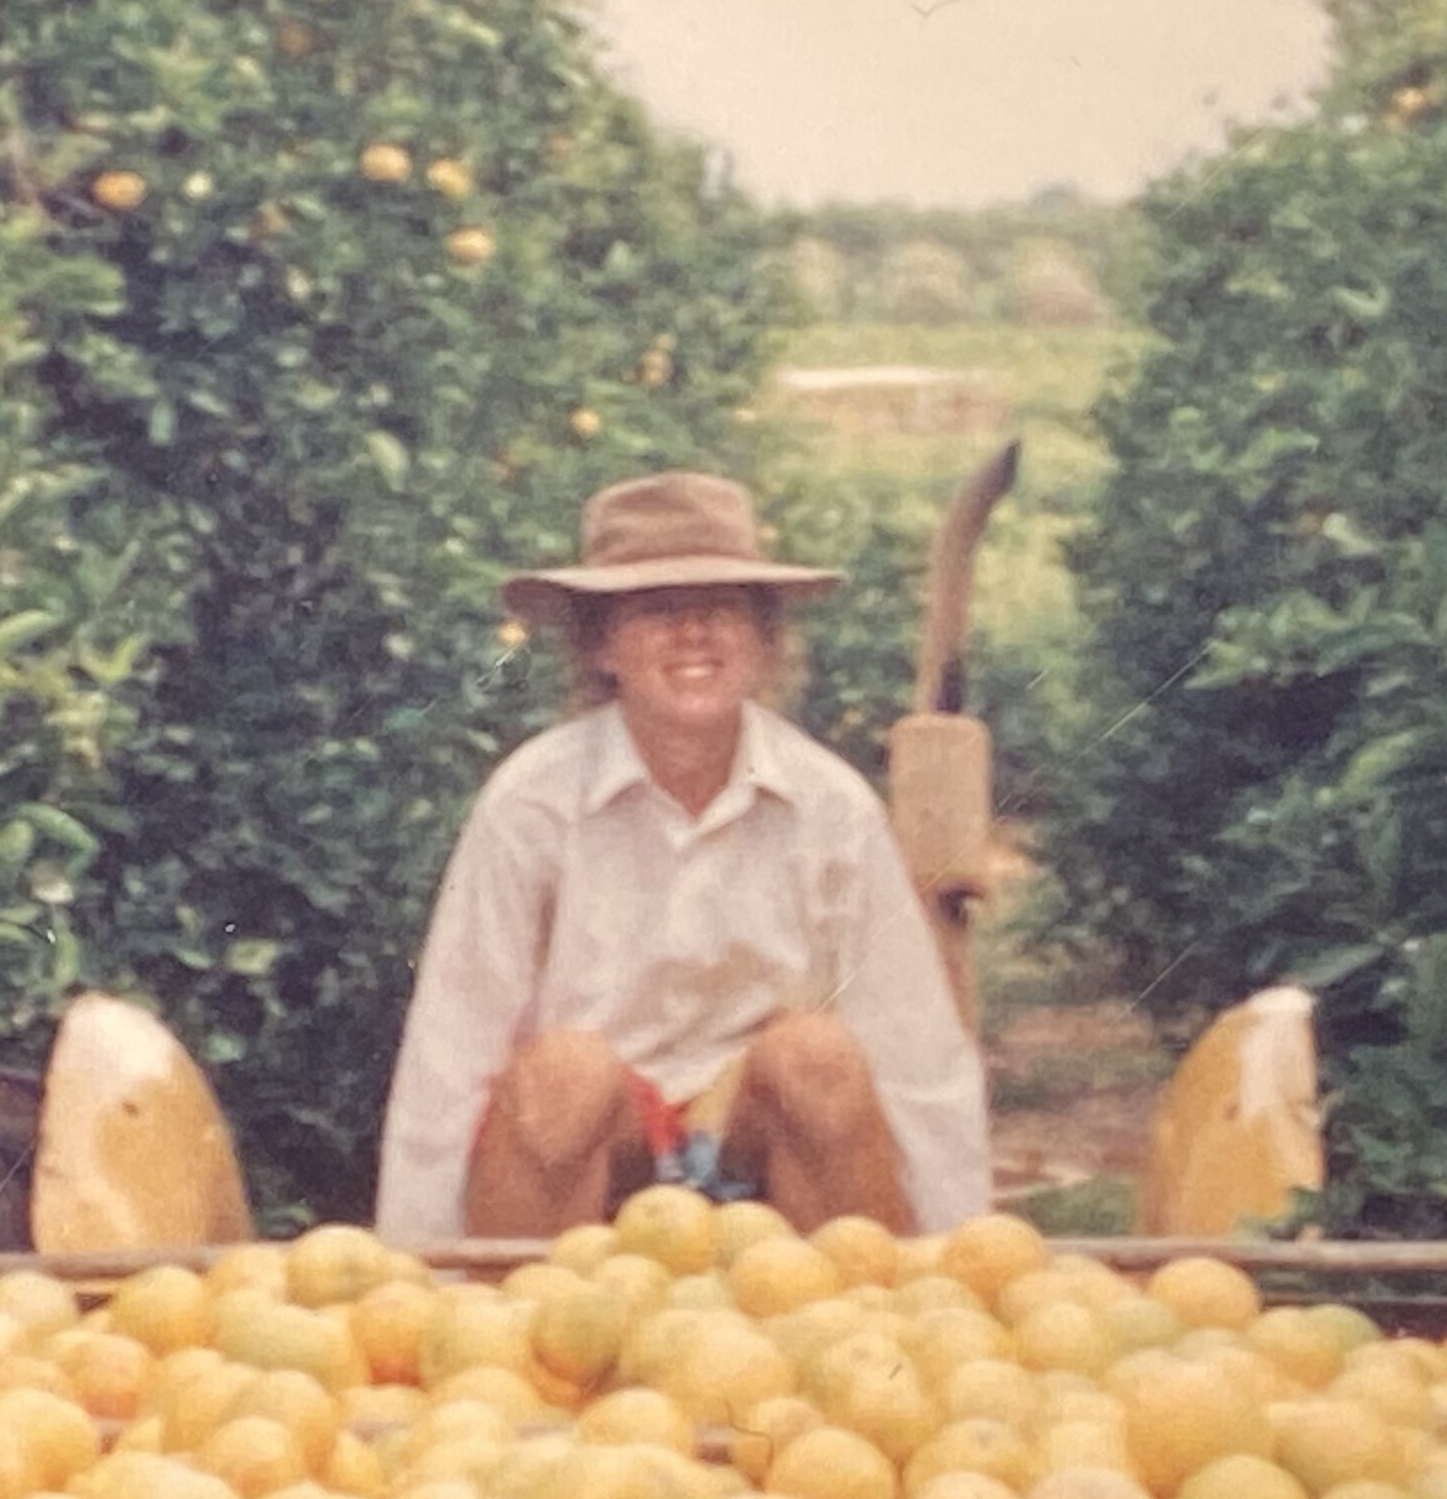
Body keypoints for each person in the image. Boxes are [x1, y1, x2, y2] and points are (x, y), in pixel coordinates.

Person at [374, 470, 992, 1242]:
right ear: (601, 645)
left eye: (722, 609)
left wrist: (964, 1261)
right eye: (658, 611)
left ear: (765, 640)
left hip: (770, 1158)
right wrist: (417, 1271)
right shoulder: (530, 803)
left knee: (818, 1056)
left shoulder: (829, 805)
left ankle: (839, 1324)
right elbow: (452, 1046)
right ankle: (526, 1341)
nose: (693, 635)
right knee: (564, 1073)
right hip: (586, 1161)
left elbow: (915, 1050)